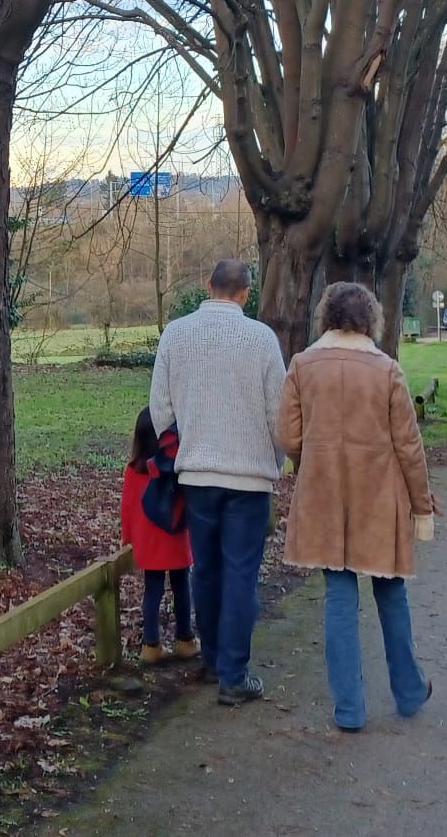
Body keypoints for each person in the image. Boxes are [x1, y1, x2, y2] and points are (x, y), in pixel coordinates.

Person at [279, 281, 437, 731]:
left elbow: (289, 436)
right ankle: (408, 691)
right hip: (380, 496)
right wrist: (422, 506)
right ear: (371, 319)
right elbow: (409, 446)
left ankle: (349, 709)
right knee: (391, 591)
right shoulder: (386, 370)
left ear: (325, 317)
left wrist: (308, 461)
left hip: (325, 495)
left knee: (339, 596)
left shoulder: (303, 366)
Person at [149, 257, 286, 706]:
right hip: (249, 477)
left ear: (208, 285)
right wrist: (276, 460)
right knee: (241, 574)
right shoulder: (262, 339)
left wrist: (181, 446)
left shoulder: (176, 334)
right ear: (246, 292)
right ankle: (234, 672)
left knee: (204, 568)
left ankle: (211, 659)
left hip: (197, 473)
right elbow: (277, 414)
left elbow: (160, 410)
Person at [120, 406, 197, 665]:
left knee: (152, 592)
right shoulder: (175, 469)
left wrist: (127, 537)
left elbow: (128, 506)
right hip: (175, 537)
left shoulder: (133, 470)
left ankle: (150, 644)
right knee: (181, 589)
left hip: (148, 542)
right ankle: (185, 639)